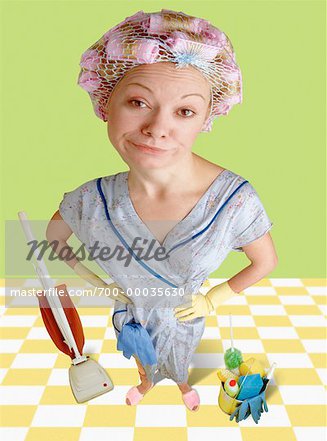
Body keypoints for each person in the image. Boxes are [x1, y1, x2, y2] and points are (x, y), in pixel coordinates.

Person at [46, 9, 278, 412]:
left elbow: (265, 262)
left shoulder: (234, 201)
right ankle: (146, 383)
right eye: (138, 101)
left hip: (186, 313)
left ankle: (183, 382)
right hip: (131, 311)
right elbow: (52, 241)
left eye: (184, 111)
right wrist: (96, 282)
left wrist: (216, 297)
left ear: (207, 118)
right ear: (106, 102)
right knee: (141, 352)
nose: (157, 127)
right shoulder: (91, 200)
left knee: (180, 351)